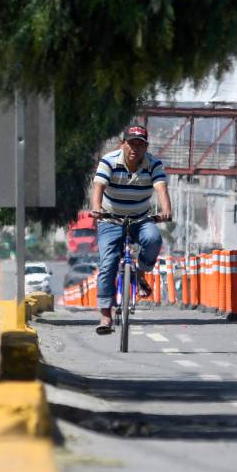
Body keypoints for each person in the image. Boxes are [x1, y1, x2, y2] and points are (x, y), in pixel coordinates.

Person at [91, 124, 172, 334]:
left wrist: (166, 210)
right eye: (131, 143)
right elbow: (98, 186)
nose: (135, 148)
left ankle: (141, 273)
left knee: (154, 239)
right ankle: (105, 316)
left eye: (140, 144)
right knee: (108, 262)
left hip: (140, 218)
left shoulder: (154, 164)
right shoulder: (109, 161)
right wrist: (96, 208)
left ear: (146, 147)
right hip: (111, 219)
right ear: (123, 144)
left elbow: (161, 188)